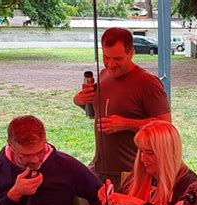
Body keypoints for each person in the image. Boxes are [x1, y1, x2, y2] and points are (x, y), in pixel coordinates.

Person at [73, 27, 171, 187]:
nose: (111, 64)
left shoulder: (147, 83)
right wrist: (79, 101)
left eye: (117, 58)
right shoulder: (104, 74)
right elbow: (99, 112)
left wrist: (125, 124)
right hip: (100, 170)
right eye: (106, 57)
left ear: (131, 53)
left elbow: (165, 125)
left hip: (132, 173)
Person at [88, 121, 197, 205]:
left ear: (167, 154)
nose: (142, 158)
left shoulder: (189, 183)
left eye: (150, 153)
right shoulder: (139, 176)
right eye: (141, 151)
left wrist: (136, 204)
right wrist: (107, 202)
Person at [0, 115, 102, 205]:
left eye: (40, 152)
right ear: (11, 146)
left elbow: (102, 196)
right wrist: (14, 194)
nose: (36, 160)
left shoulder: (66, 165)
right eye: (26, 155)